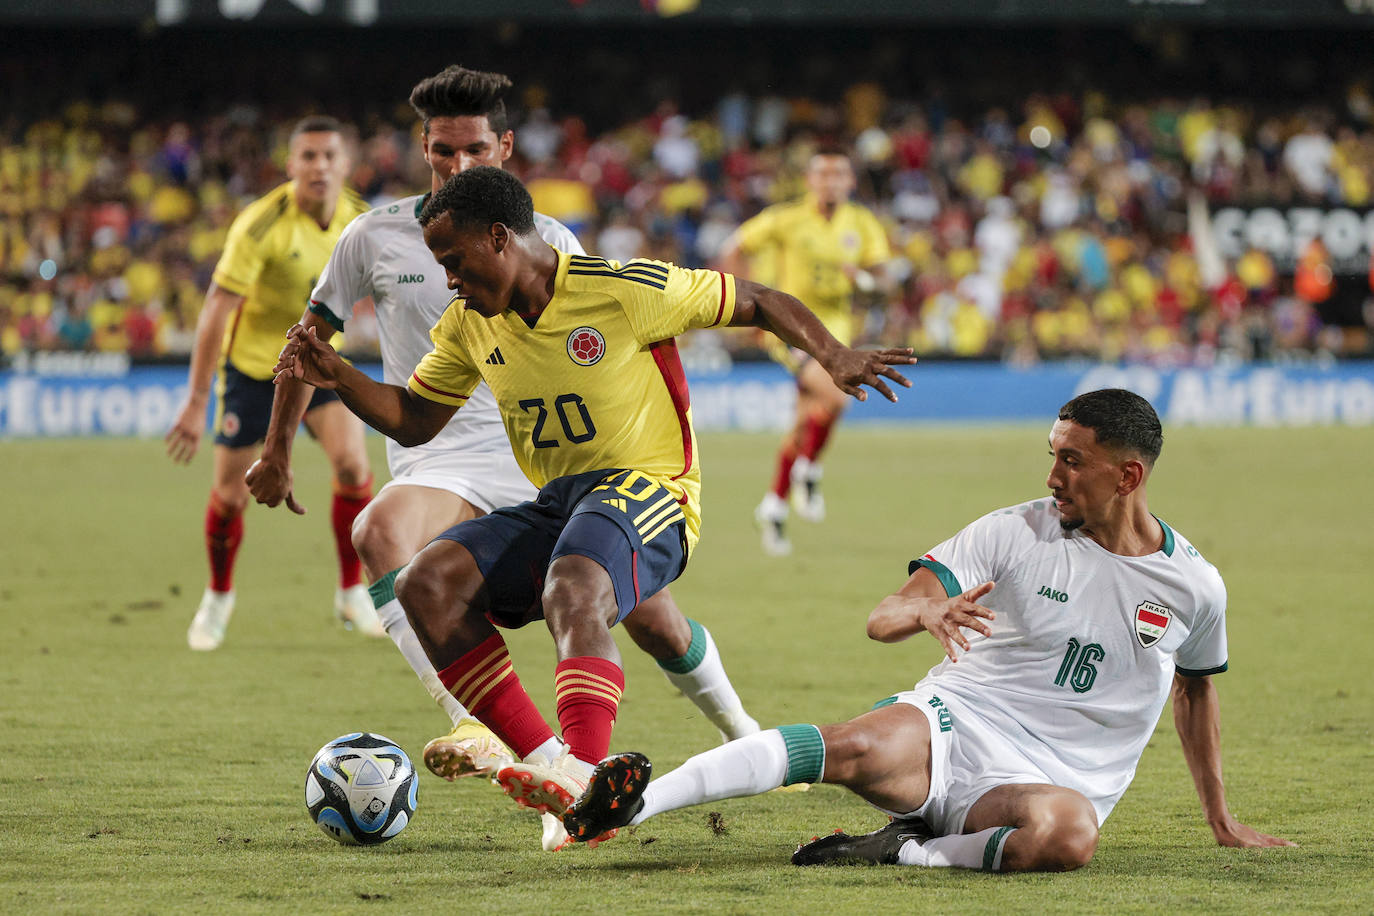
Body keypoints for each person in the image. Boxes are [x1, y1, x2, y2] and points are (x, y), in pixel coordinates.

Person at [271, 165, 914, 840]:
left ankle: (584, 769)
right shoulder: (469, 326)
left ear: (498, 239)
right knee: (425, 584)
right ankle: (565, 777)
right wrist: (340, 375)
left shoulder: (619, 289)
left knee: (573, 587)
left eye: (453, 261)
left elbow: (754, 298)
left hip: (652, 489)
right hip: (560, 499)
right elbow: (414, 418)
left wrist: (833, 355)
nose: (448, 280)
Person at [246, 66, 766, 850]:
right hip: (438, 453)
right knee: (383, 538)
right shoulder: (374, 234)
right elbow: (307, 343)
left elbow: (610, 335)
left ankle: (739, 729)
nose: (458, 167)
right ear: (423, 147)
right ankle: (481, 727)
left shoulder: (549, 239)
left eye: (475, 150)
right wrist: (278, 448)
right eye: (443, 153)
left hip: (544, 460)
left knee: (642, 615)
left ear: (505, 146)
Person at [562, 388, 1295, 871]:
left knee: (1069, 838)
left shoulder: (1193, 587)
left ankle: (906, 852)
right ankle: (628, 807)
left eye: (1072, 461)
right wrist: (924, 609)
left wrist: (1221, 817)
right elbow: (885, 617)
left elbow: (1195, 692)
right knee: (849, 743)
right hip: (955, 723)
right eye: (1052, 456)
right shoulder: (1013, 533)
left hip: (1056, 784)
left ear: (1128, 477)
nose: (1052, 477)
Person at [165, 116, 377, 651]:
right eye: (308, 156)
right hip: (257, 370)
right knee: (231, 496)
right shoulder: (261, 224)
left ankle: (352, 592)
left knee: (354, 466)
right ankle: (218, 597)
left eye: (330, 155)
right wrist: (194, 401)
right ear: (291, 166)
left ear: (346, 164)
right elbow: (217, 310)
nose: (319, 166)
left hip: (322, 364)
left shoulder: (360, 220)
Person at [717, 149, 893, 556]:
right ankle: (809, 469)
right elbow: (733, 247)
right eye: (823, 175)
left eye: (839, 175)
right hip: (790, 329)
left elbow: (884, 278)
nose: (830, 182)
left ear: (850, 182)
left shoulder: (862, 223)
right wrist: (743, 301)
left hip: (837, 332)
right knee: (838, 393)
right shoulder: (786, 219)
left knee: (806, 421)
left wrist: (863, 279)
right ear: (810, 181)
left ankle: (774, 505)